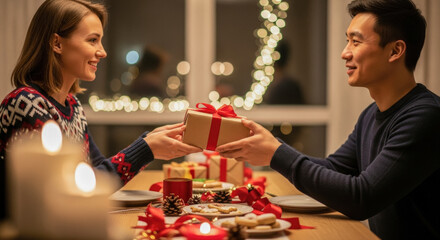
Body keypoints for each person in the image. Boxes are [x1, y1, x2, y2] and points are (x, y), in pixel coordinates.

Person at [217, 0, 440, 239]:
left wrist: (275, 153)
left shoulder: (426, 116)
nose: (345, 53)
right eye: (347, 41)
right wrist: (272, 147)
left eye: (356, 42)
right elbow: (335, 169)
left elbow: (361, 198)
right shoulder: (370, 115)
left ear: (395, 51)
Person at [0, 0, 201, 219]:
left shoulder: (72, 105)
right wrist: (146, 149)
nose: (102, 52)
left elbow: (97, 176)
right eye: (93, 40)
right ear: (56, 43)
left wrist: (149, 142)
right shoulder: (26, 104)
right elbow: (58, 197)